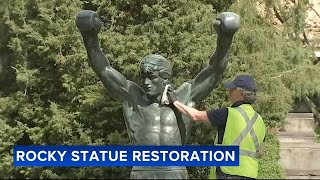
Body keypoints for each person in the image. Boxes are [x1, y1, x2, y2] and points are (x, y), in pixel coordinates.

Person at [75, 10, 239, 179]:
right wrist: (90, 38)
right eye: (143, 77)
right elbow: (104, 69)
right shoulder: (133, 96)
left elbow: (214, 70)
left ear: (165, 78)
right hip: (142, 171)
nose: (146, 82)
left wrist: (225, 39)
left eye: (151, 77)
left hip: (174, 171)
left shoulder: (186, 95)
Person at [167, 75, 266, 180]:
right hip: (250, 175)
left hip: (228, 173)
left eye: (233, 89)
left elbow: (195, 116)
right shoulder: (259, 120)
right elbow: (260, 152)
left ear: (241, 93)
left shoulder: (228, 113)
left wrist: (175, 101)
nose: (229, 92)